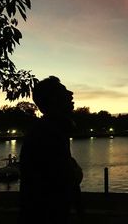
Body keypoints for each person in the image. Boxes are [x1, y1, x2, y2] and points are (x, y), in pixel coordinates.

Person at [19, 76, 83, 224]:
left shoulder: (50, 129)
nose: (71, 94)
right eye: (64, 91)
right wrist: (74, 173)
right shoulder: (48, 133)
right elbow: (62, 180)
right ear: (53, 100)